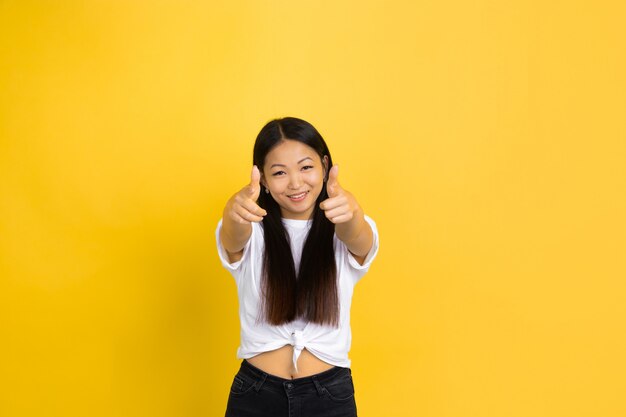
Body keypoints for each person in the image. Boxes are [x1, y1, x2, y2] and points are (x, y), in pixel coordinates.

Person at [215, 117, 379, 417]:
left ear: (325, 165)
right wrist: (233, 210)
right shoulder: (252, 228)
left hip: (329, 397)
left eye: (306, 167)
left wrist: (352, 212)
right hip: (256, 395)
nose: (295, 183)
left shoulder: (346, 223)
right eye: (279, 172)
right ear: (262, 178)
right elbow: (232, 236)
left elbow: (357, 237)